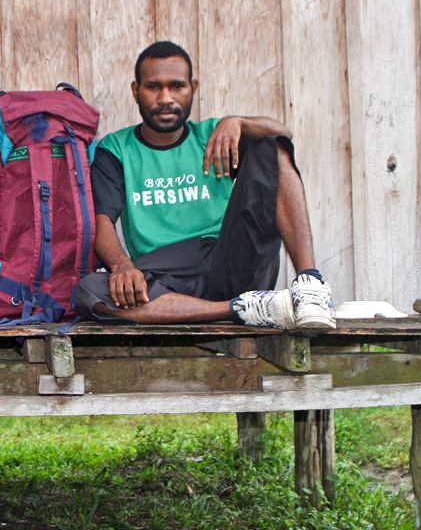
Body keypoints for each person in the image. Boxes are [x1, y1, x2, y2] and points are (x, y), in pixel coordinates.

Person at [72, 41, 335, 329]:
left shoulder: (214, 135)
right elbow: (102, 219)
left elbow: (283, 134)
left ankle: (310, 286)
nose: (165, 98)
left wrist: (240, 123)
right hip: (162, 276)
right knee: (89, 291)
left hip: (230, 259)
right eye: (153, 87)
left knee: (271, 146)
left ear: (192, 88)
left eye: (176, 86)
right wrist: (122, 267)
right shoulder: (117, 148)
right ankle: (242, 309)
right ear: (136, 90)